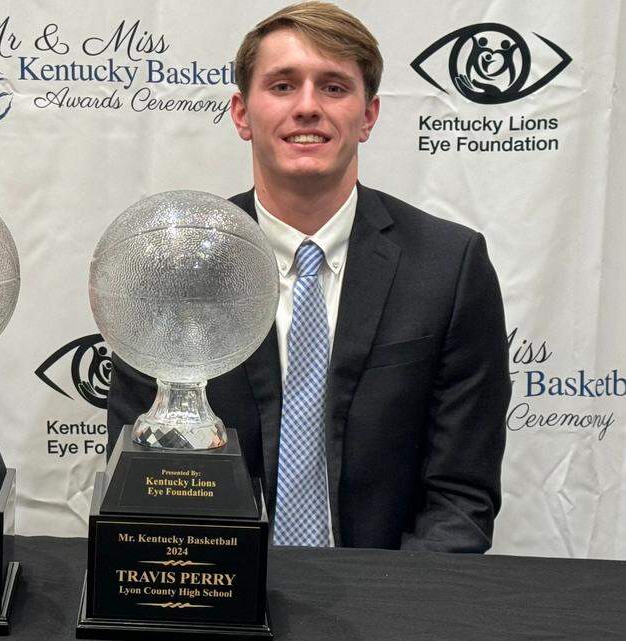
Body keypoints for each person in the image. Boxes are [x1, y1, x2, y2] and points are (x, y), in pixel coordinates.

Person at [107, 2, 510, 552]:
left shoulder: (449, 266)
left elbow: (460, 499)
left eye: (334, 87)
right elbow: (141, 480)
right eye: (282, 85)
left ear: (368, 116)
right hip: (211, 583)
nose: (307, 107)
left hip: (389, 588)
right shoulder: (168, 266)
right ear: (241, 114)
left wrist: (389, 597)